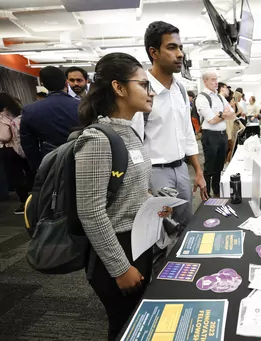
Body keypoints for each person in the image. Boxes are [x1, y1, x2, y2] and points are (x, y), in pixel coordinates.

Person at [75, 52, 172, 341]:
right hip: (116, 249)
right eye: (143, 84)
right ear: (119, 88)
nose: (151, 92)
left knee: (139, 322)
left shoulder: (129, 133)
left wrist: (154, 203)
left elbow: (132, 189)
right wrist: (119, 267)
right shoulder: (97, 139)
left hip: (138, 241)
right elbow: (91, 212)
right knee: (125, 327)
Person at [132, 21, 207, 234]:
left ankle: (186, 267)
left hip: (181, 170)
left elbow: (187, 134)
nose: (180, 54)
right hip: (154, 172)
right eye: (172, 47)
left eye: (180, 47)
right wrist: (141, 185)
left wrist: (198, 172)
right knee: (159, 231)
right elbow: (133, 142)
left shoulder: (180, 90)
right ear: (154, 53)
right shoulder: (141, 90)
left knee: (185, 226)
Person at [21, 66, 80, 172]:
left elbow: (29, 145)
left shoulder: (30, 110)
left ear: (43, 84)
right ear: (66, 83)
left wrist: (38, 168)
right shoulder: (82, 106)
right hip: (80, 157)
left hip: (49, 162)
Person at [196, 71, 236, 197]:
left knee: (219, 165)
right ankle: (206, 193)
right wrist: (224, 114)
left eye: (216, 79)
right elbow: (211, 120)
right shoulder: (202, 97)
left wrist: (220, 115)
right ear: (205, 81)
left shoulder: (219, 97)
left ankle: (217, 191)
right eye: (213, 79)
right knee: (210, 166)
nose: (216, 82)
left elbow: (232, 113)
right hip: (210, 136)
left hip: (222, 135)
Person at [0, 93, 30, 214]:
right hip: (23, 148)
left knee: (15, 177)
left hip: (9, 150)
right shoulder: (19, 114)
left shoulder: (3, 117)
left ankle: (25, 203)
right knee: (27, 174)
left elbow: (4, 136)